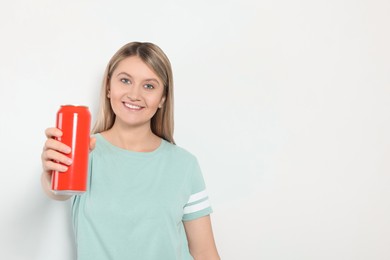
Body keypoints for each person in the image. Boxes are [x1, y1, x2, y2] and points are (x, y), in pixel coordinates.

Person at [40, 42, 220, 260]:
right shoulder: (84, 151)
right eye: (125, 80)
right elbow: (56, 191)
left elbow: (204, 252)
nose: (135, 94)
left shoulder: (184, 164)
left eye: (149, 86)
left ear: (163, 98)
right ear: (108, 87)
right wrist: (53, 173)